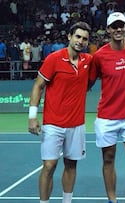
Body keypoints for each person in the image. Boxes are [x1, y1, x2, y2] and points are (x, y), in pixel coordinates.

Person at [27, 21, 92, 203]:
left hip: (76, 125)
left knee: (71, 165)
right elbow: (38, 86)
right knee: (49, 166)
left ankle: (67, 201)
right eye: (78, 36)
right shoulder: (54, 59)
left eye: (84, 39)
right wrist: (33, 117)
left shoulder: (89, 61)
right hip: (53, 124)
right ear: (70, 37)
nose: (80, 41)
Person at [88, 12, 125, 203]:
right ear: (108, 30)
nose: (118, 29)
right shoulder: (100, 56)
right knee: (108, 159)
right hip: (107, 117)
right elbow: (87, 83)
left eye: (121, 26)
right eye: (114, 26)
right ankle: (112, 200)